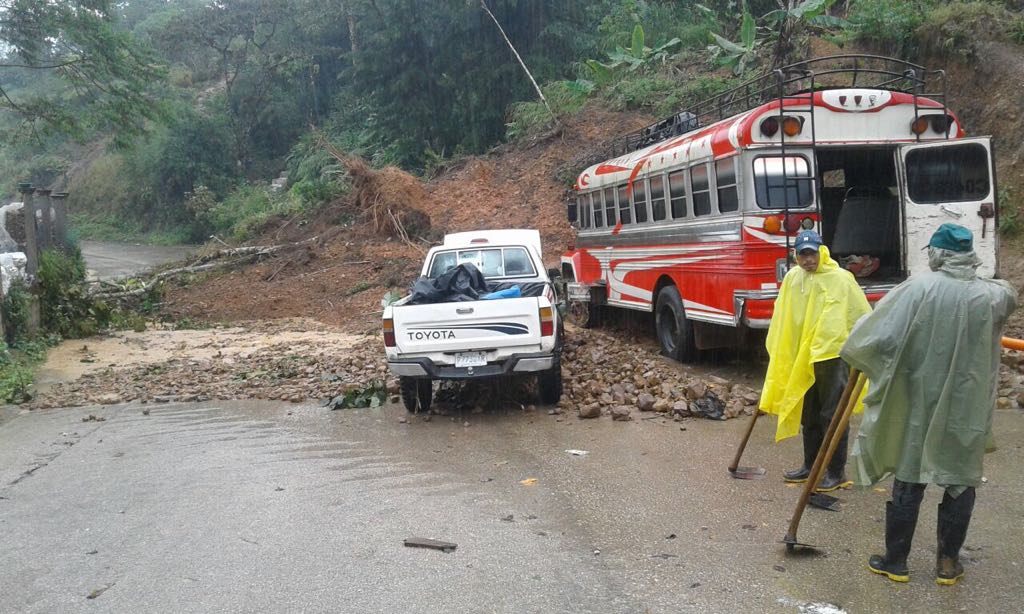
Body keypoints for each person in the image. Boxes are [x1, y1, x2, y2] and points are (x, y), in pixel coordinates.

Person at [840, 223, 1017, 586]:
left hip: (918, 401)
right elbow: (1008, 293)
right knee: (960, 476)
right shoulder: (994, 296)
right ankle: (948, 564)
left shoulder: (917, 289)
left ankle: (896, 561)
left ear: (938, 253)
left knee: (911, 472)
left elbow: (871, 334)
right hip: (965, 408)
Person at [759, 229, 871, 492]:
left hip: (832, 356)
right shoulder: (793, 279)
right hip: (804, 357)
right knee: (809, 414)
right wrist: (780, 348)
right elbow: (783, 315)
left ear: (821, 251)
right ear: (796, 256)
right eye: (802, 255)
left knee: (832, 414)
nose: (808, 260)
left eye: (812, 254)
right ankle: (811, 465)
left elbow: (860, 314)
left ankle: (835, 471)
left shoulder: (841, 279)